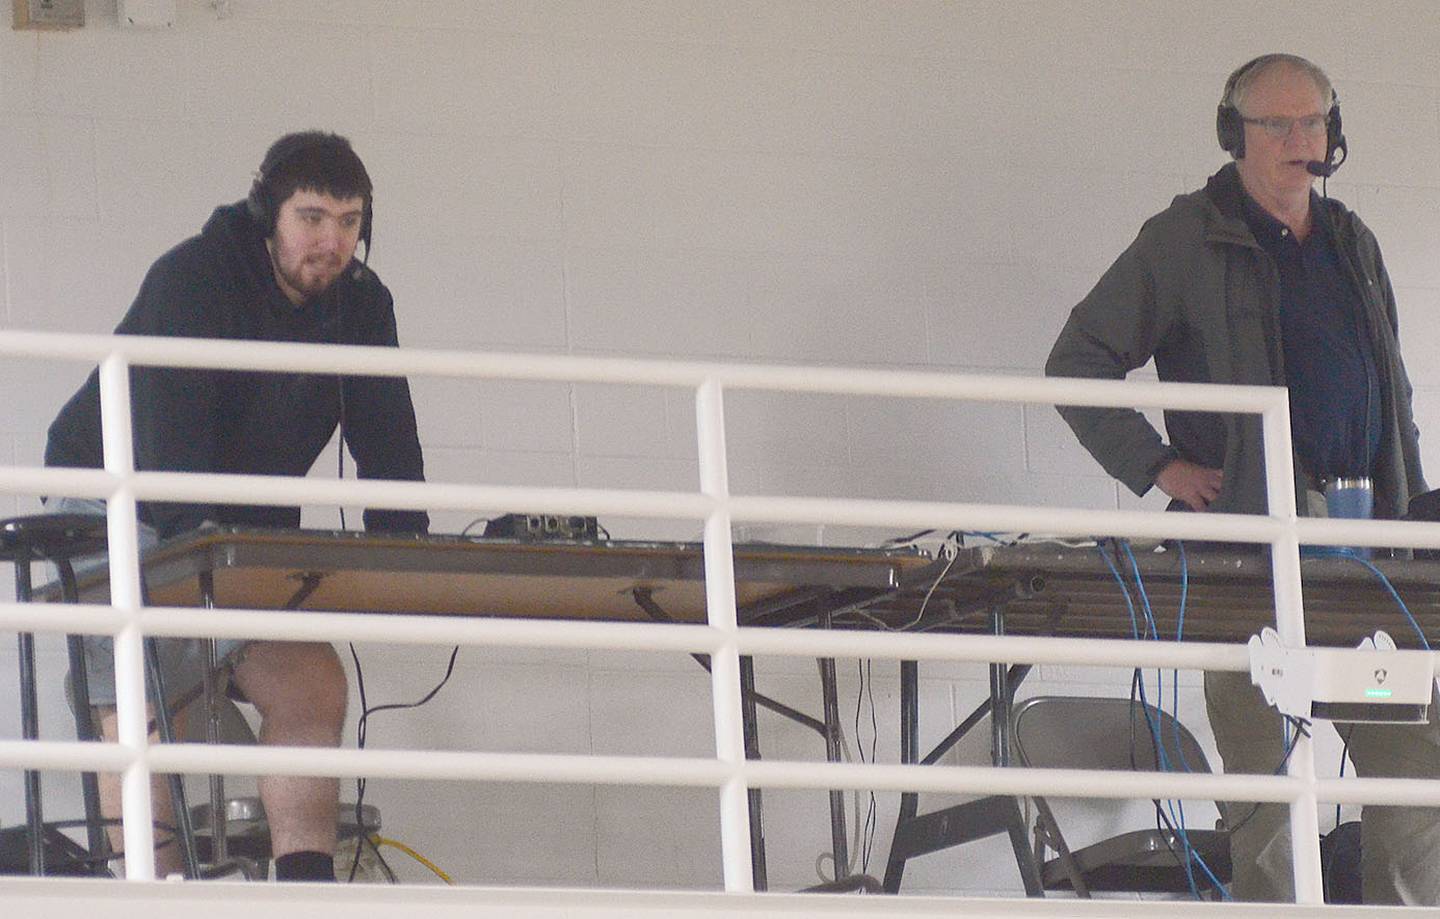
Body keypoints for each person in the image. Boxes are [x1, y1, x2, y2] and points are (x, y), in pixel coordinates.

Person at [1045, 54, 1439, 904]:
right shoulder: (1182, 238)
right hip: (1248, 564)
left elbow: (1389, 388)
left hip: (1368, 561)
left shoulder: (1352, 240)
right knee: (1268, 801)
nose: (1305, 141)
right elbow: (1077, 363)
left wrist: (1407, 518)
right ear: (1235, 137)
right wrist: (1159, 467)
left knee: (1414, 786)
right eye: (1281, 125)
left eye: (1317, 122)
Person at [44, 131, 429, 880]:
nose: (331, 241)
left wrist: (404, 546)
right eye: (313, 218)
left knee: (312, 684)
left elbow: (388, 433)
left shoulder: (362, 305)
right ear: (268, 213)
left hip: (232, 520)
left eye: (350, 222)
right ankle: (151, 892)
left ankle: (305, 887)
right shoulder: (193, 276)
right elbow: (167, 440)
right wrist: (211, 565)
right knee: (145, 698)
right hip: (121, 496)